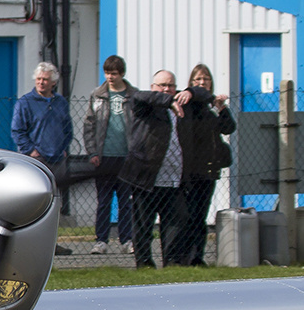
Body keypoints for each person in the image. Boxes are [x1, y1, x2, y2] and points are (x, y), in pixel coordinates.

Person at [121, 69, 206, 268]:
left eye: (170, 86)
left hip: (174, 178)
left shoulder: (185, 106)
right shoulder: (145, 107)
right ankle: (144, 263)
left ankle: (172, 261)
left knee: (175, 222)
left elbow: (207, 96)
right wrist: (168, 101)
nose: (167, 89)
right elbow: (138, 96)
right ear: (153, 87)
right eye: (162, 85)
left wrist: (191, 92)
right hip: (146, 177)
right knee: (143, 224)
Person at [173, 64, 235, 266]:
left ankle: (196, 257)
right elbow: (197, 95)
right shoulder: (186, 105)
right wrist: (191, 93)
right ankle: (181, 256)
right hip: (187, 171)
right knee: (186, 215)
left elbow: (228, 128)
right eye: (198, 79)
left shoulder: (210, 109)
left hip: (207, 171)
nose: (202, 83)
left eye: (205, 79)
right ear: (191, 83)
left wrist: (221, 108)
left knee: (200, 216)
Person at [11, 62, 74, 255]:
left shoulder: (60, 102)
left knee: (56, 203)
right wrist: (30, 150)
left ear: (53, 82)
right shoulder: (25, 102)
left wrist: (64, 148)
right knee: (36, 203)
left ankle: (52, 243)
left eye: (45, 79)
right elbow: (17, 131)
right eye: (38, 79)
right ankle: (32, 243)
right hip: (36, 161)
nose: (41, 83)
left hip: (57, 159)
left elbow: (68, 129)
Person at [83, 55, 136, 254]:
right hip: (104, 157)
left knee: (126, 201)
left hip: (127, 157)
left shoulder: (133, 96)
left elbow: (138, 126)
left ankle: (127, 240)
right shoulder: (97, 95)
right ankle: (101, 240)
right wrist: (92, 152)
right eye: (107, 73)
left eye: (114, 73)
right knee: (104, 201)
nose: (110, 77)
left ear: (122, 73)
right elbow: (89, 125)